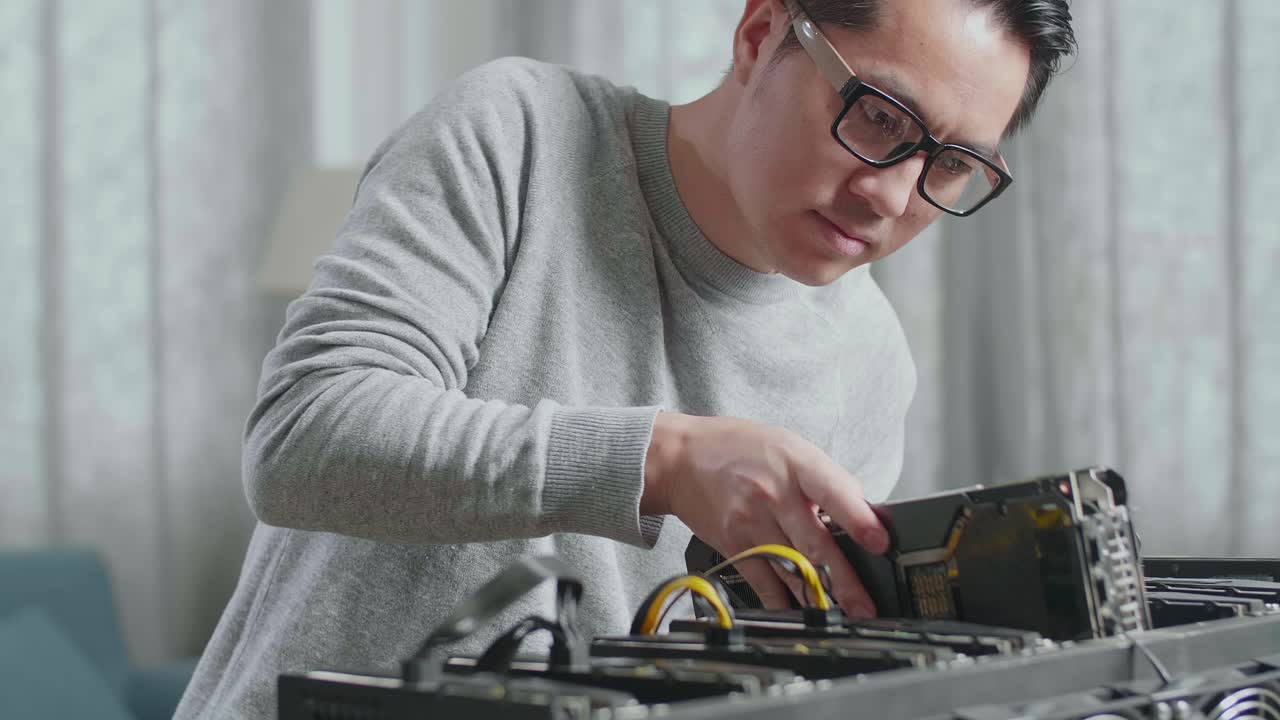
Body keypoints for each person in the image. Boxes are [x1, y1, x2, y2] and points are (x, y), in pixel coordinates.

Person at [175, 0, 1076, 716]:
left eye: (950, 166)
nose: (891, 194)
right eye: (878, 117)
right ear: (762, 33)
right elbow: (305, 435)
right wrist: (664, 460)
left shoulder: (871, 360)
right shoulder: (519, 133)